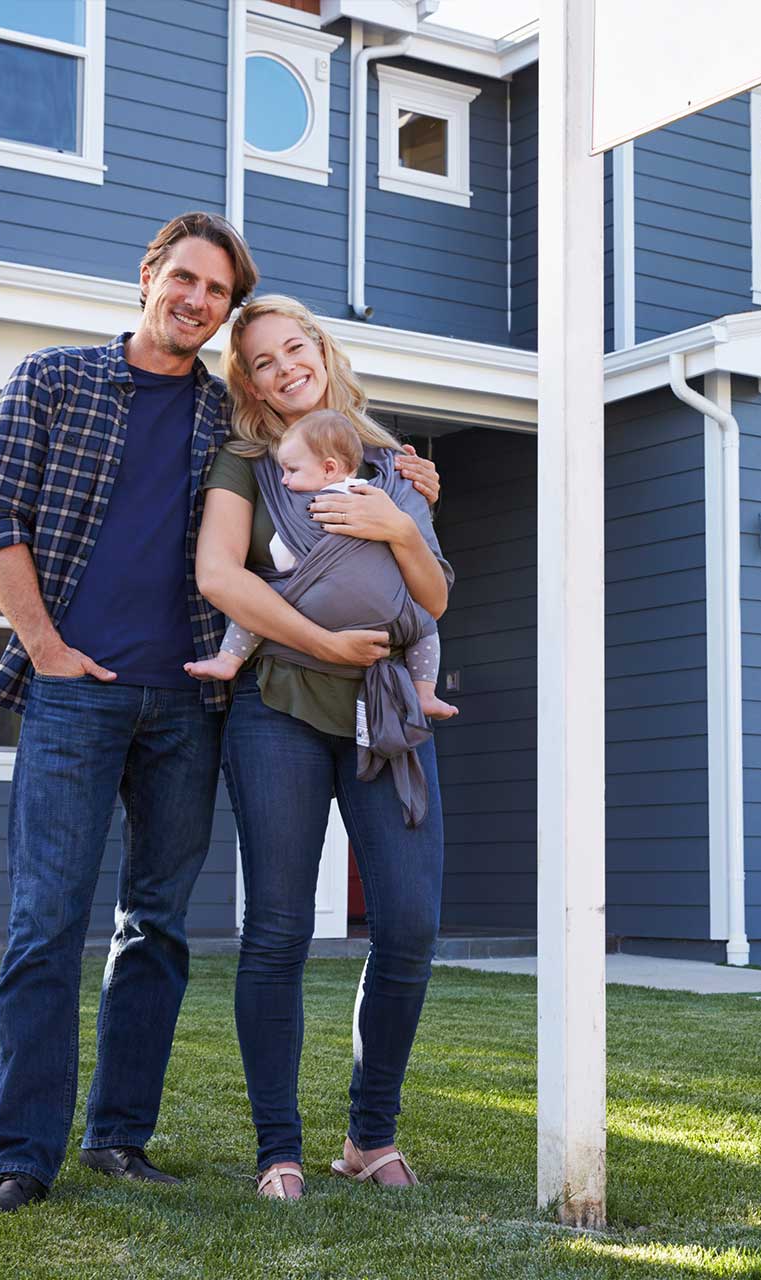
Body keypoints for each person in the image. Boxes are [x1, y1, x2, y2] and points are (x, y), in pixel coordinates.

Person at [0, 214, 439, 1218]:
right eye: (185, 278)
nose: (196, 299)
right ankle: (25, 1154)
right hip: (73, 691)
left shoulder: (233, 418)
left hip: (190, 702)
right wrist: (46, 647)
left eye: (215, 291)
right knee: (46, 920)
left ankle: (120, 1137)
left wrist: (405, 478)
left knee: (156, 926)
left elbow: (328, 445)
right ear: (149, 276)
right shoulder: (52, 379)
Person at [193, 294, 450, 1199]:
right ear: (248, 381)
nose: (282, 368)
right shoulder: (245, 465)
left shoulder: (392, 465)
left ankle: (369, 1138)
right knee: (277, 928)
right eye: (261, 361)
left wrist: (396, 525)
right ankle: (279, 1152)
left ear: (321, 349)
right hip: (282, 709)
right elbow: (220, 576)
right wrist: (319, 642)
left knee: (411, 923)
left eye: (293, 348)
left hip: (384, 713)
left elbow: (435, 598)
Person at [185, 407, 459, 725]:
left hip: (334, 634)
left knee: (257, 607)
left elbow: (282, 552)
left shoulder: (312, 502)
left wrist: (402, 530)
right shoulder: (377, 493)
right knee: (425, 629)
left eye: (291, 471)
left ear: (328, 468)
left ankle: (227, 660)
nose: (285, 480)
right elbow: (430, 604)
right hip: (346, 647)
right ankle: (425, 692)